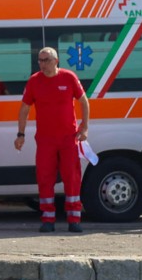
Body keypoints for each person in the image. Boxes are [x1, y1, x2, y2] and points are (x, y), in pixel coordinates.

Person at [15, 47, 89, 233]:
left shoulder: (68, 77)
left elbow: (84, 101)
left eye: (46, 60)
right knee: (45, 178)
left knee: (72, 178)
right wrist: (20, 134)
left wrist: (85, 126)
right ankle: (48, 219)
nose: (42, 64)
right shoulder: (34, 81)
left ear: (56, 61)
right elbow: (24, 108)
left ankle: (74, 219)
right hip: (45, 140)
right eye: (40, 60)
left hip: (68, 139)